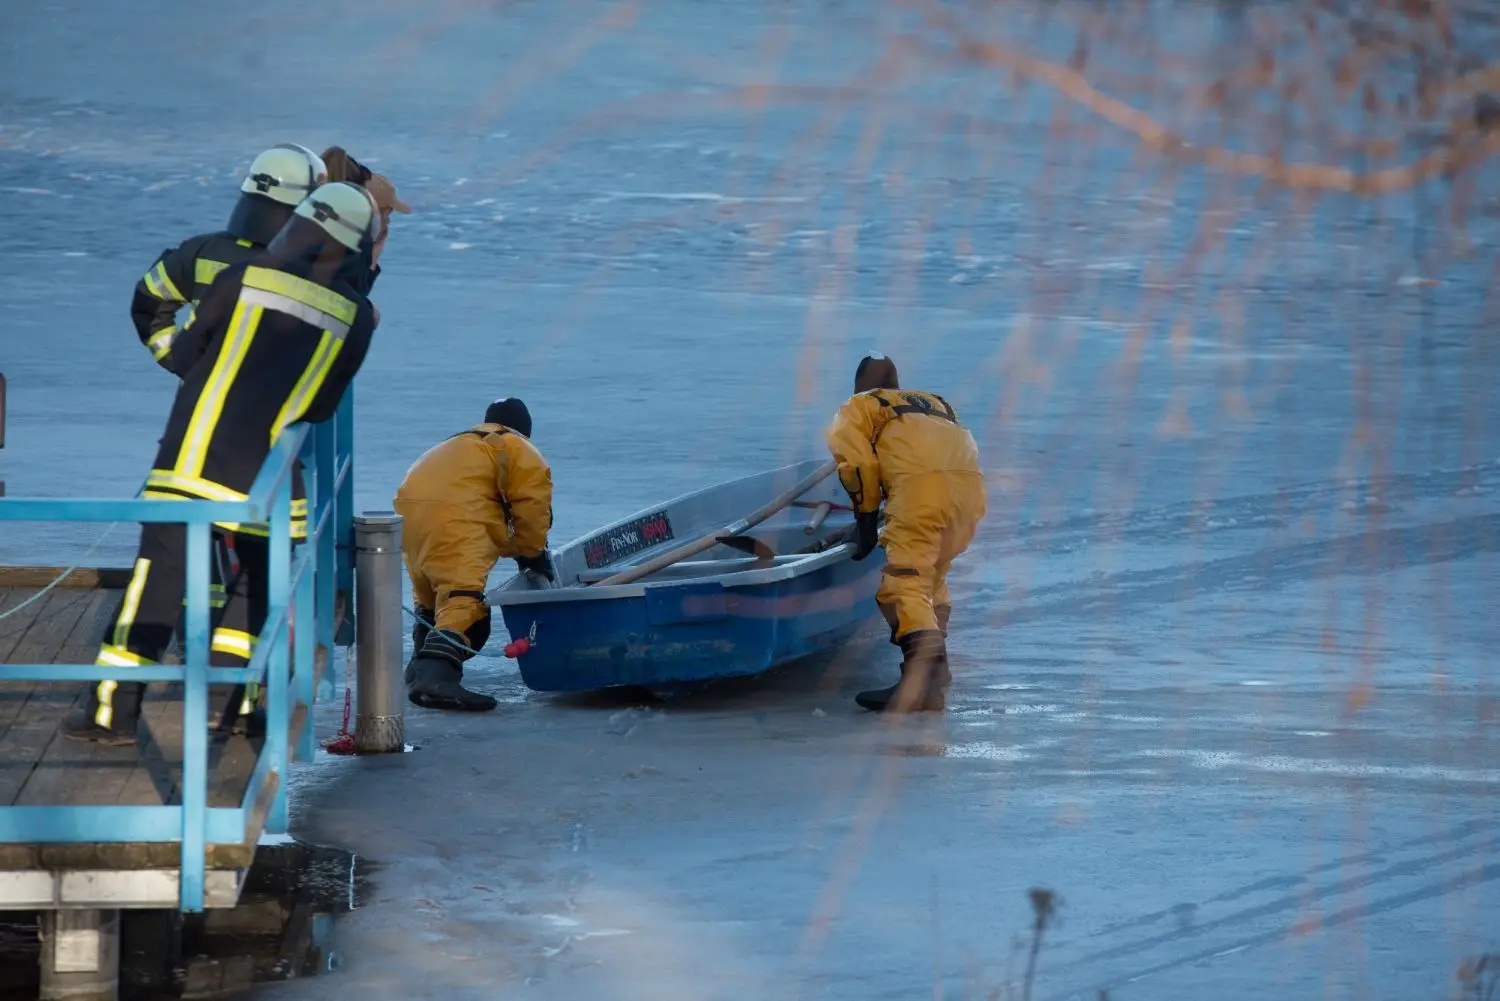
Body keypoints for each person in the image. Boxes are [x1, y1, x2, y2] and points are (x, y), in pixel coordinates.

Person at [63, 181, 383, 745]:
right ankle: (229, 705)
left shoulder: (244, 276)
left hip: (190, 460)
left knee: (156, 584)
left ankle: (113, 711)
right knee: (256, 585)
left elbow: (186, 355)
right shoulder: (356, 318)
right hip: (267, 477)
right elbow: (320, 404)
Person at [825, 354, 987, 714]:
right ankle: (937, 669)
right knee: (932, 578)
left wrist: (865, 522)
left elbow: (858, 464)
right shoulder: (935, 404)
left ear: (859, 386)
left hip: (921, 495)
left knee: (904, 583)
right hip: (969, 495)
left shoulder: (860, 406)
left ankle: (919, 688)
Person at [393, 398, 555, 712]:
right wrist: (531, 551)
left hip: (408, 520)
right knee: (464, 601)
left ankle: (418, 667)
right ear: (524, 429)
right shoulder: (518, 447)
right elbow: (532, 506)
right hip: (455, 519)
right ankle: (436, 678)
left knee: (431, 596)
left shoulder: (455, 445)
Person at [131, 143, 328, 368]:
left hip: (199, 397)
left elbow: (149, 296)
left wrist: (177, 359)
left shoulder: (199, 251)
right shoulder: (308, 267)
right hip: (275, 399)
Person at [319, 146, 410, 299]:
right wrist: (372, 260)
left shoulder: (299, 230)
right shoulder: (351, 252)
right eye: (386, 215)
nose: (387, 223)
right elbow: (355, 308)